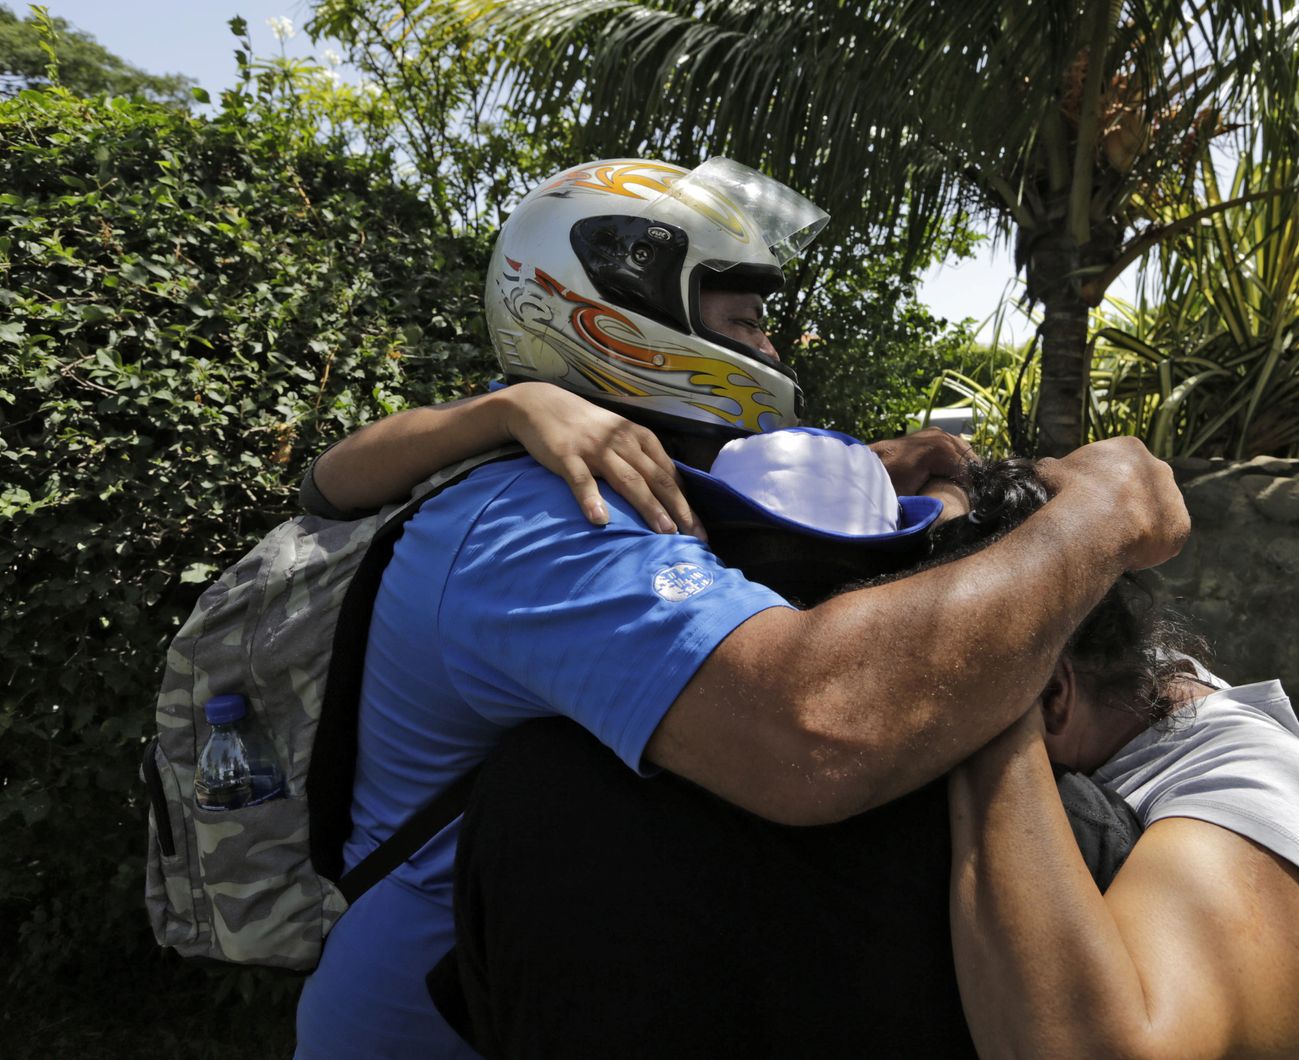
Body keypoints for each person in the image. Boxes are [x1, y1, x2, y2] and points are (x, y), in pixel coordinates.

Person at [291, 155, 1191, 1058]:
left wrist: (867, 476)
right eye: (746, 320)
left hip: (546, 989)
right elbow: (815, 724)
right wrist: (1098, 517)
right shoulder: (546, 520)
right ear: (618, 309)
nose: (769, 351)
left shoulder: (589, 459)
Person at [441, 452, 1299, 1059]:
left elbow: (1098, 1049)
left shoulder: (1245, 784)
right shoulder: (1139, 718)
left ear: (1047, 691)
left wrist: (970, 696)